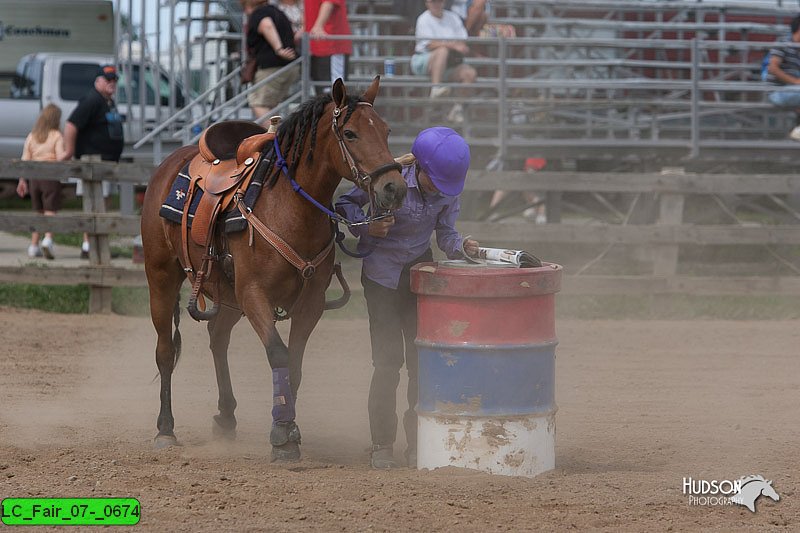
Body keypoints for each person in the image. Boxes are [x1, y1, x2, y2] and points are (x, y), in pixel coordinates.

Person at [334, 127, 479, 469]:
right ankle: (382, 443)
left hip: (418, 278)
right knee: (387, 363)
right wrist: (366, 226)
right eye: (434, 182)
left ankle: (419, 442)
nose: (439, 191)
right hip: (381, 278)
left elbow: (445, 232)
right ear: (420, 168)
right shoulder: (388, 177)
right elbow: (344, 205)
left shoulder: (446, 189)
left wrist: (462, 247)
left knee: (421, 363)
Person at [63, 64, 124, 259]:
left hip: (106, 164)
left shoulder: (107, 102)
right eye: (108, 79)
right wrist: (69, 151)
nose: (112, 83)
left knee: (103, 205)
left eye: (115, 80)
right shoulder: (91, 100)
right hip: (93, 164)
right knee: (93, 205)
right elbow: (71, 125)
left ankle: (97, 246)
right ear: (97, 81)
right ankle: (89, 246)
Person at [411, 0, 477, 124]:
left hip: (450, 62)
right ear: (427, 3)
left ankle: (457, 108)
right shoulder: (423, 19)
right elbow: (430, 44)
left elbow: (463, 41)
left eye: (439, 1)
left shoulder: (453, 17)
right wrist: (452, 45)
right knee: (442, 51)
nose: (436, 4)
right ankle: (436, 88)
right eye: (433, 1)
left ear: (444, 2)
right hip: (424, 60)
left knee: (470, 73)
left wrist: (454, 47)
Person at [16, 104, 69, 259]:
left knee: (38, 210)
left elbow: (25, 159)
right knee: (50, 208)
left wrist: (22, 180)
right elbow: (60, 157)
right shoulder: (56, 135)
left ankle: (33, 245)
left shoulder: (32, 136)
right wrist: (68, 154)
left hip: (34, 177)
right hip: (50, 176)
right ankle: (48, 238)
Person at [242, 0, 298, 122]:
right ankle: (275, 137)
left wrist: (279, 49)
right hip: (289, 66)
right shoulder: (279, 12)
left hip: (271, 67)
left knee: (258, 103)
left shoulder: (259, 14)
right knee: (271, 106)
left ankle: (276, 137)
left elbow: (266, 25)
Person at [304, 0, 352, 93]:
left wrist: (318, 26)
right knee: (322, 92)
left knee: (334, 93)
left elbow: (329, 2)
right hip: (317, 44)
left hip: (332, 44)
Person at [765, 14, 800, 140]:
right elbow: (772, 68)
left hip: (792, 91)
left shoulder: (798, 49)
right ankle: (796, 129)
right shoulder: (783, 43)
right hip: (778, 91)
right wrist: (795, 81)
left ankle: (797, 129)